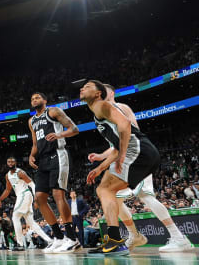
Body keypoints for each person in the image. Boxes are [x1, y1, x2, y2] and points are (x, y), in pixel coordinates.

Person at [89, 83, 192, 252]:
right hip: (123, 158)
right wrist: (102, 156)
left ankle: (178, 237)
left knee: (146, 197)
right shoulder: (102, 113)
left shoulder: (121, 107)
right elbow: (116, 144)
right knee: (113, 198)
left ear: (111, 92)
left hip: (135, 157)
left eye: (103, 90)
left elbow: (132, 136)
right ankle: (134, 235)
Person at [80, 80, 162, 255]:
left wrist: (123, 154)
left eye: (87, 87)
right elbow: (117, 146)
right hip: (141, 151)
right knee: (104, 190)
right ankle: (115, 239)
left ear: (97, 93)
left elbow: (125, 125)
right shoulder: (97, 111)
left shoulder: (101, 105)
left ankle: (116, 240)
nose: (82, 88)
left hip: (138, 150)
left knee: (105, 190)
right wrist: (100, 167)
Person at [27, 92, 81, 253]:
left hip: (57, 155)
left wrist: (59, 134)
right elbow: (35, 143)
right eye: (32, 99)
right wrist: (31, 155)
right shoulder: (31, 121)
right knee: (39, 198)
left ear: (45, 100)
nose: (34, 100)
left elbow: (74, 129)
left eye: (37, 97)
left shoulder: (53, 112)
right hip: (42, 160)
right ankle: (58, 237)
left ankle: (72, 238)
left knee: (58, 195)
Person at [0, 156, 53, 251]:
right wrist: (0, 199)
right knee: (31, 222)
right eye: (8, 162)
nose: (10, 163)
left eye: (12, 162)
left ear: (15, 163)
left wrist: (36, 199)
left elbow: (32, 184)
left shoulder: (20, 173)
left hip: (25, 194)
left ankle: (20, 244)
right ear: (7, 163)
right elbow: (7, 190)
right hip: (21, 196)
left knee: (15, 217)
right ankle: (49, 240)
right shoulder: (8, 175)